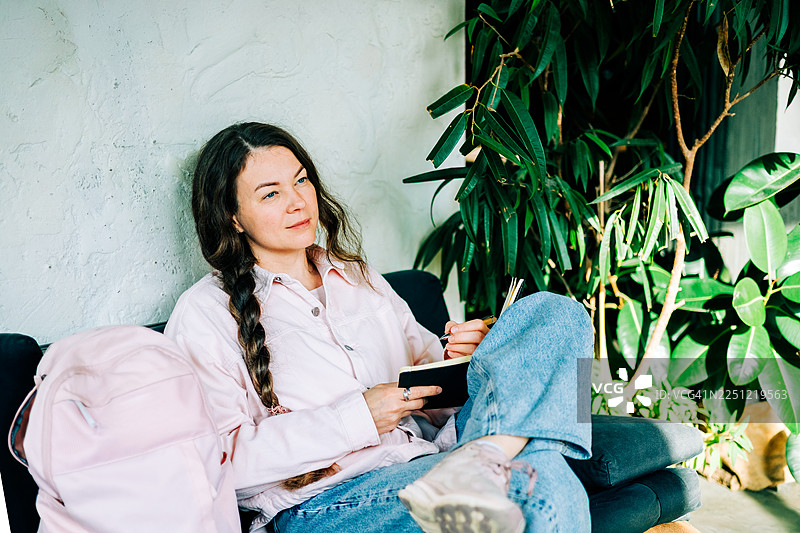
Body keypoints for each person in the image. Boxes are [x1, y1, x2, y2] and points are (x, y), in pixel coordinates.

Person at [164, 122, 594, 533]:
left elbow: (431, 385)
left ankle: (482, 459)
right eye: (271, 194)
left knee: (558, 313)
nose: (297, 201)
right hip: (325, 500)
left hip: (427, 454)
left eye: (301, 181)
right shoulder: (206, 313)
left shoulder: (358, 277)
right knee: (541, 476)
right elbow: (218, 461)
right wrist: (359, 417)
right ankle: (484, 462)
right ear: (233, 217)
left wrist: (467, 361)